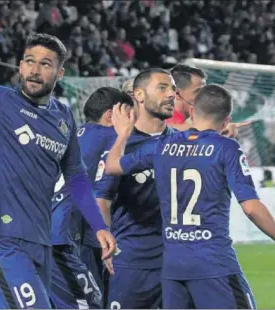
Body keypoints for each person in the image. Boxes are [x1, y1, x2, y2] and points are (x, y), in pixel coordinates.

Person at [0, 14, 116, 309]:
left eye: (45, 64)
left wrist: (100, 226)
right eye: (29, 61)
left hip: (41, 242)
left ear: (60, 73)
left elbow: (76, 177)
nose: (35, 70)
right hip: (4, 237)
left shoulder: (63, 116)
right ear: (19, 66)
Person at [106, 84, 275, 309]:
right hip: (213, 263)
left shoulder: (162, 145)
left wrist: (122, 135)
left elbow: (112, 166)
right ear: (227, 119)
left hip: (173, 268)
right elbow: (250, 208)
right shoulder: (226, 148)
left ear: (192, 112)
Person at [95, 68, 177, 309]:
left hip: (176, 261)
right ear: (139, 96)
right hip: (131, 261)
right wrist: (105, 242)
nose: (172, 94)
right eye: (162, 88)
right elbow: (102, 200)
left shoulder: (179, 143)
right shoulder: (119, 145)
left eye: (173, 89)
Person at [50, 87, 133, 309]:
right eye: (128, 112)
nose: (132, 119)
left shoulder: (76, 133)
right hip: (75, 233)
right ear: (110, 115)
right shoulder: (112, 137)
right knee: (90, 301)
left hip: (49, 227)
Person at [168, 63, 250, 134]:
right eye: (198, 91)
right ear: (177, 94)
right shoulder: (165, 117)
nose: (204, 96)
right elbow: (165, 129)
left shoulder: (187, 119)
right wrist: (217, 126)